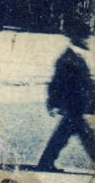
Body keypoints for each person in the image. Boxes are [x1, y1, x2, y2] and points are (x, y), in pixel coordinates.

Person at [34, 17, 94, 173]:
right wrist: (52, 102)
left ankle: (45, 162)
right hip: (74, 105)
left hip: (77, 105)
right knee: (84, 135)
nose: (87, 40)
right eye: (85, 36)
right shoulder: (69, 58)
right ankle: (45, 163)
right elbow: (57, 83)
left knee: (67, 134)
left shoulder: (77, 55)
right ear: (77, 37)